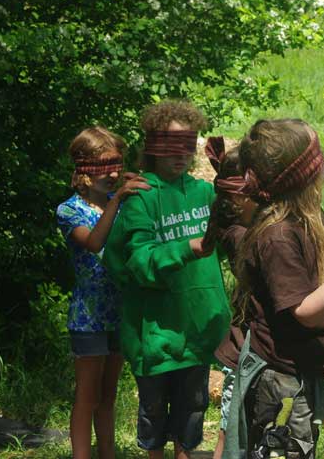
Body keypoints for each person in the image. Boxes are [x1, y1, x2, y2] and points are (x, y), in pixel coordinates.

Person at [225, 118, 324, 459]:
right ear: (302, 175)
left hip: (303, 368)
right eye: (318, 159)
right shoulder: (279, 235)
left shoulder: (311, 216)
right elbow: (305, 312)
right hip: (281, 378)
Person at [102, 100, 232, 459]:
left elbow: (227, 248)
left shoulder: (206, 194)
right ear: (153, 147)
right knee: (154, 414)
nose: (180, 155)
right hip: (155, 334)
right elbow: (137, 261)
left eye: (187, 145)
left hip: (199, 328)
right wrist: (187, 247)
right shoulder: (141, 197)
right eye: (171, 145)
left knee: (192, 413)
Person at [56, 126, 150, 459]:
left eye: (117, 165)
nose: (112, 174)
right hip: (89, 316)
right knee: (87, 397)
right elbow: (94, 242)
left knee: (108, 397)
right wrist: (119, 199)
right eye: (104, 166)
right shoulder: (69, 210)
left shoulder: (120, 203)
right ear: (84, 168)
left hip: (119, 312)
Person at [201, 137, 257, 459]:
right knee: (230, 429)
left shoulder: (237, 227)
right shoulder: (240, 235)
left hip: (247, 342)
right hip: (244, 342)